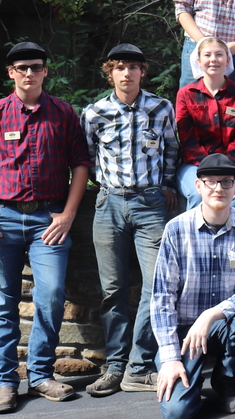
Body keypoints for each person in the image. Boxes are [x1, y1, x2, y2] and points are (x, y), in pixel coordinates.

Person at [0, 42, 91, 414]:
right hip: (1, 220)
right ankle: (5, 382)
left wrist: (67, 215)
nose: (29, 73)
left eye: (36, 67)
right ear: (11, 73)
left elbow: (80, 164)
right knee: (3, 303)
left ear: (46, 71)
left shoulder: (64, 114)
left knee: (50, 296)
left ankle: (40, 375)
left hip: (47, 221)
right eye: (22, 67)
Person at [80, 43, 179, 397]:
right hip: (109, 203)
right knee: (113, 290)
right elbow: (88, 158)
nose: (127, 73)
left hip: (150, 203)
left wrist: (166, 185)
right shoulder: (94, 113)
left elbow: (171, 150)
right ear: (110, 72)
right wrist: (106, 188)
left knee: (157, 286)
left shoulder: (161, 108)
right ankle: (116, 365)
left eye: (133, 67)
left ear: (142, 72)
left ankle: (140, 366)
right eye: (119, 67)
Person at [151, 153, 235, 418]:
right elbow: (162, 297)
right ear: (198, 186)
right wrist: (170, 359)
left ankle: (225, 379)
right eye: (211, 181)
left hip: (225, 325)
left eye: (226, 182)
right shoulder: (176, 229)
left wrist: (211, 314)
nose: (218, 188)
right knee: (178, 412)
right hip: (183, 335)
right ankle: (189, 381)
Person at [175, 37, 235, 211]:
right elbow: (187, 140)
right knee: (199, 193)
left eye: (219, 55)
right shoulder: (185, 94)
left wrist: (225, 166)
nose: (213, 59)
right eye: (207, 55)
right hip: (195, 163)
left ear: (228, 60)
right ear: (199, 61)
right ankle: (195, 236)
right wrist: (209, 167)